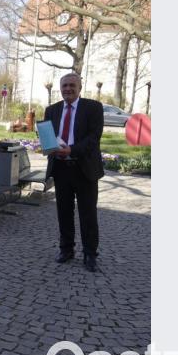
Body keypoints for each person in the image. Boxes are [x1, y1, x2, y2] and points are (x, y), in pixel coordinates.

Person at [44, 73, 104, 272]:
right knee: (64, 212)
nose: (68, 89)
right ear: (60, 89)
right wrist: (46, 145)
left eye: (71, 85)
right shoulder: (51, 110)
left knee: (88, 214)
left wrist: (72, 150)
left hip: (84, 168)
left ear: (79, 87)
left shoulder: (93, 108)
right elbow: (46, 136)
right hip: (61, 169)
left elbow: (93, 138)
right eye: (64, 86)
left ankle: (90, 254)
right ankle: (66, 249)